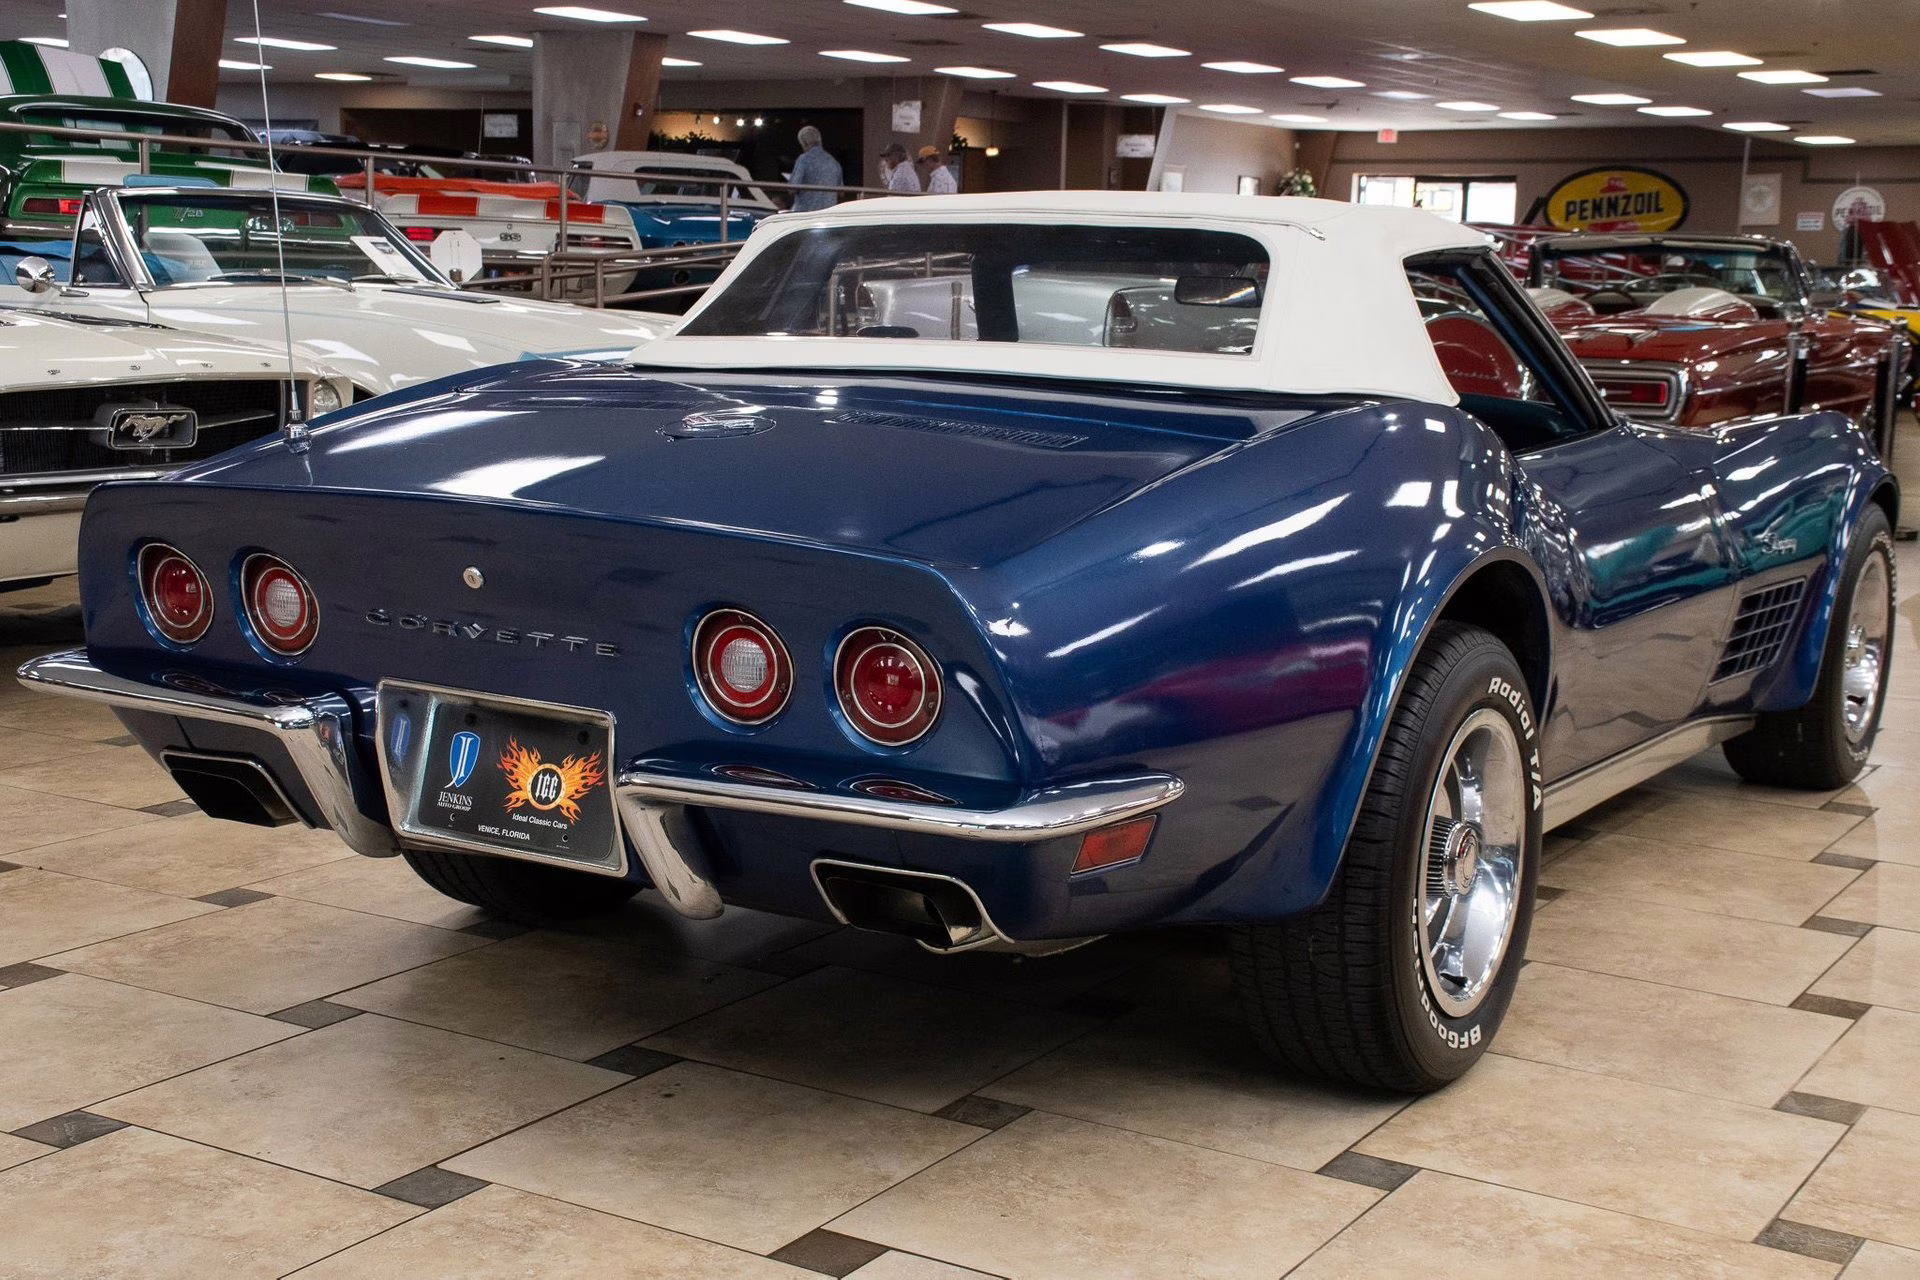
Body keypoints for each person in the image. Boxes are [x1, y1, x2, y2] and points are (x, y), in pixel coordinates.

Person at [788, 125, 842, 212]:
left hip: (806, 212)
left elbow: (792, 189)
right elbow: (841, 192)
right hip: (829, 212)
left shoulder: (804, 159)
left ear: (804, 143)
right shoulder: (834, 162)